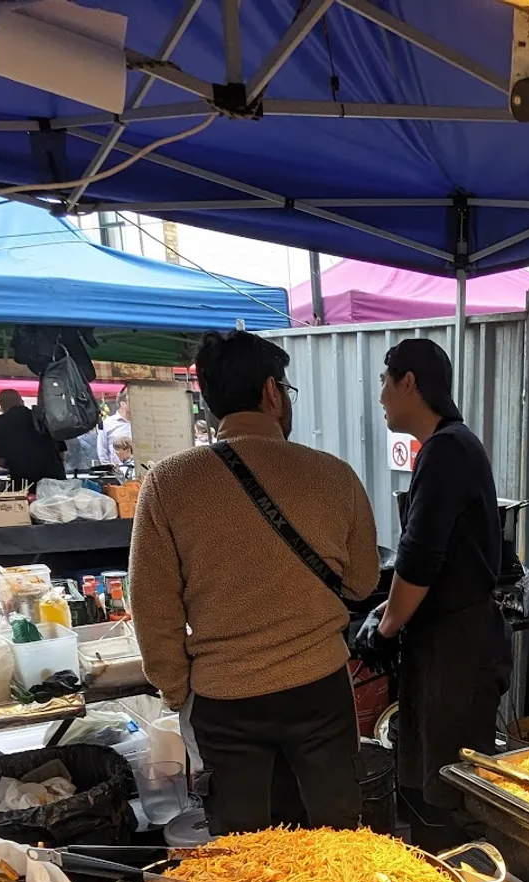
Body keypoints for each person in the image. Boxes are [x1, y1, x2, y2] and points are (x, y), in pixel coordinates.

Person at [129, 330, 380, 835]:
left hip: (225, 702)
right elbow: (361, 583)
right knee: (337, 842)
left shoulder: (169, 483)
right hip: (319, 693)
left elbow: (152, 613)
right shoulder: (332, 476)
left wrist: (179, 692)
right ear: (272, 392)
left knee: (245, 859)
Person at [357, 338, 511, 850]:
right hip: (449, 642)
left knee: (448, 789)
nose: (380, 396)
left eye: (385, 381)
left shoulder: (448, 448)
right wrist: (389, 611)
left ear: (409, 383)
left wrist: (384, 629)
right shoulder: (450, 445)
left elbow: (420, 561)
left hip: (458, 649)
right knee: (428, 777)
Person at [0, 389, 65, 489]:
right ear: (21, 401)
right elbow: (62, 453)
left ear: (2, 405)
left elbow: (0, 460)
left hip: (24, 484)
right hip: (55, 481)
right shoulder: (43, 418)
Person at [96, 389, 130, 465]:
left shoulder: (141, 423)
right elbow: (102, 451)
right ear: (123, 403)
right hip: (117, 473)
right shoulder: (108, 424)